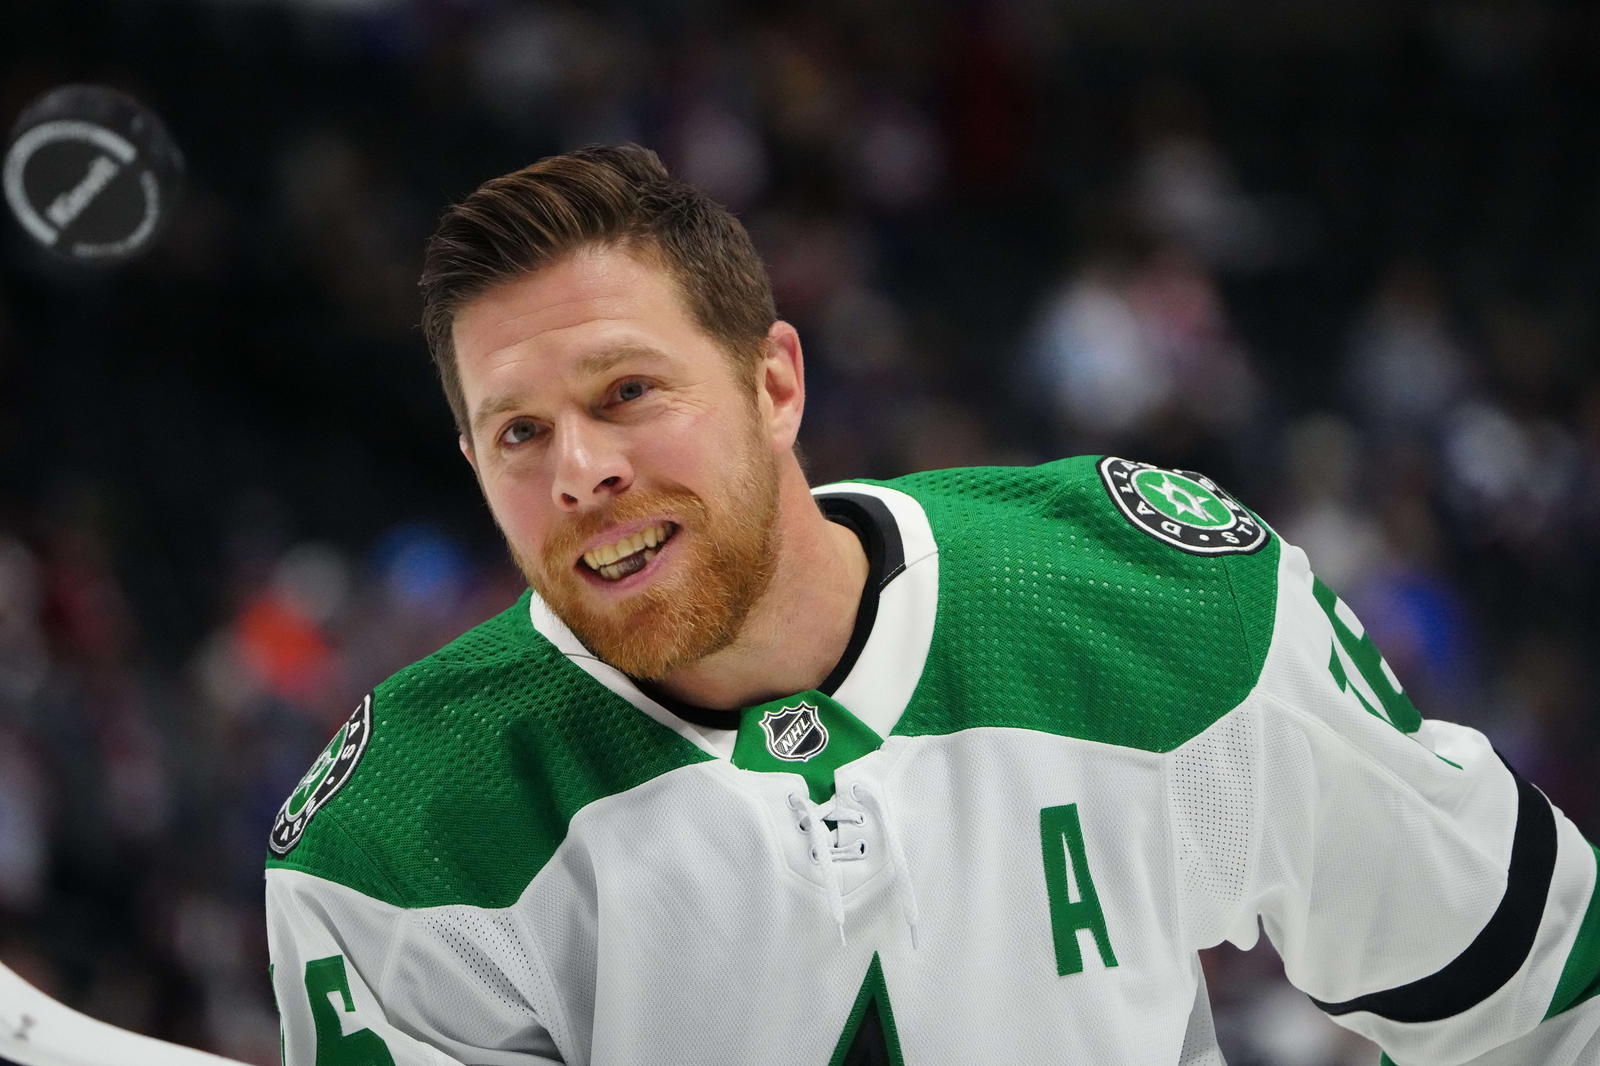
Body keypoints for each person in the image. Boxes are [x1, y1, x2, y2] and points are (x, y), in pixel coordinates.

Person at [264, 144, 1600, 1066]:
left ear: (776, 384)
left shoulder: (1147, 600)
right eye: (518, 434)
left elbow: (1541, 998)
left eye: (626, 394)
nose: (582, 472)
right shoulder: (392, 846)